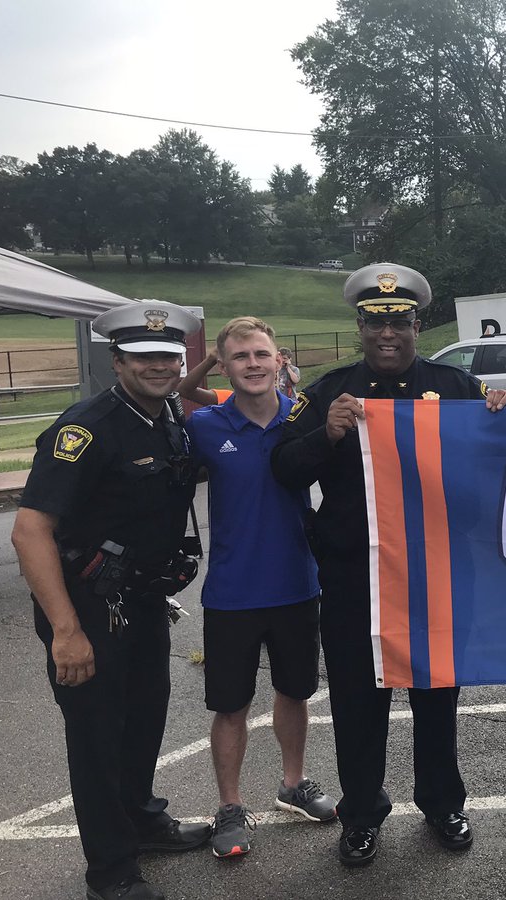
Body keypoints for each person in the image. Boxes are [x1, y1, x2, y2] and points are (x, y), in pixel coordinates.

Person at [270, 263, 506, 867]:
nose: (387, 334)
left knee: (436, 695)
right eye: (375, 322)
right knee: (356, 700)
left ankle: (441, 802)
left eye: (399, 322)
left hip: (438, 573)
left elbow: (502, 461)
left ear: (416, 325)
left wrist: (505, 411)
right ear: (360, 324)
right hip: (357, 576)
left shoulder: (455, 387)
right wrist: (324, 436)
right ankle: (361, 813)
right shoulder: (329, 392)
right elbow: (284, 469)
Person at [11, 302, 212, 900]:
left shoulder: (165, 414)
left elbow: (177, 402)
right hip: (88, 606)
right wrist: (67, 632)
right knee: (98, 737)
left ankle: (142, 820)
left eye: (169, 357)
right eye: (144, 356)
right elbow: (30, 531)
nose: (159, 366)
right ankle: (110, 868)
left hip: (143, 598)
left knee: (145, 718)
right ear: (117, 360)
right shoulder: (87, 427)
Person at [185, 317, 338, 859]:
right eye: (240, 356)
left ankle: (293, 784)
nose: (252, 364)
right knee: (230, 705)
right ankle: (230, 805)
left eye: (261, 354)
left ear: (280, 361)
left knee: (295, 692)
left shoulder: (302, 419)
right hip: (231, 591)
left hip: (298, 584)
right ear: (225, 366)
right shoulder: (204, 424)